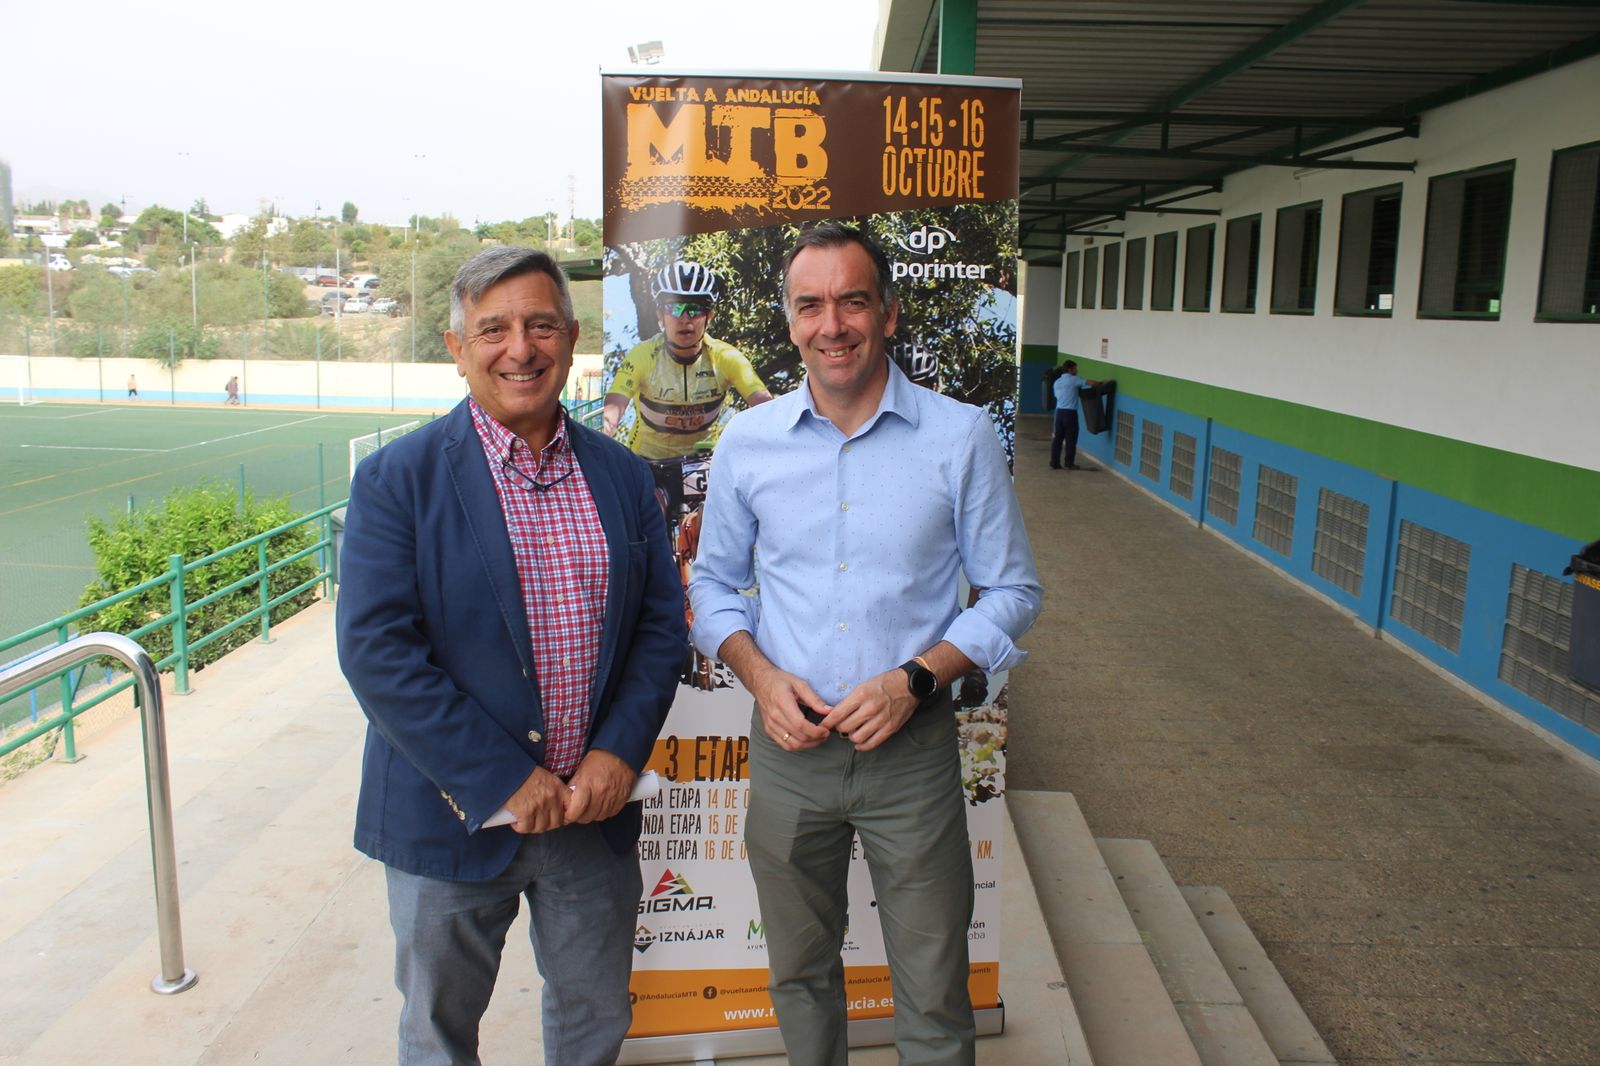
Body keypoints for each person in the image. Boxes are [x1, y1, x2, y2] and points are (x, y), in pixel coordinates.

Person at [688, 223, 1043, 1066]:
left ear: (887, 312)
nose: (832, 324)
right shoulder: (748, 442)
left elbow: (1015, 591)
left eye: (853, 300)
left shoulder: (959, 438)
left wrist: (916, 678)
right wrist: (761, 676)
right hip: (787, 748)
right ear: (788, 323)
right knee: (801, 977)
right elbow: (709, 585)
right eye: (810, 305)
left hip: (909, 754)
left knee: (932, 986)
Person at [336, 246, 685, 1066]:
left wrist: (615, 751)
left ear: (569, 339)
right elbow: (377, 651)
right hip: (450, 820)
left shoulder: (625, 478)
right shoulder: (397, 480)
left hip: (591, 818)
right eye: (492, 328)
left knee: (594, 1018)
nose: (518, 348)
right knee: (438, 1031)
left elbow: (660, 629)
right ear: (458, 350)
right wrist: (501, 778)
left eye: (539, 325)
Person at [602, 261, 773, 459]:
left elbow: (765, 407)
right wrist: (603, 434)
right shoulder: (643, 355)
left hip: (703, 463)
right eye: (674, 308)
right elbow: (612, 411)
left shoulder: (726, 358)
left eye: (694, 309)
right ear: (660, 315)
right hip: (647, 462)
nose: (684, 319)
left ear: (709, 315)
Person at [1049, 360, 1092, 469]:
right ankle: (1069, 463)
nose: (1077, 370)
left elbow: (1057, 396)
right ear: (1070, 369)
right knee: (1071, 440)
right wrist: (1102, 383)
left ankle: (1054, 462)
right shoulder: (1074, 380)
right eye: (1075, 368)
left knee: (1057, 439)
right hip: (1070, 413)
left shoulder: (1057, 382)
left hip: (1059, 413)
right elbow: (1092, 383)